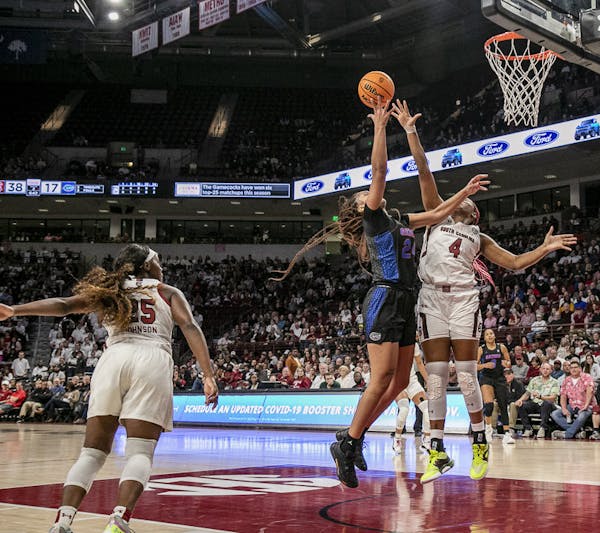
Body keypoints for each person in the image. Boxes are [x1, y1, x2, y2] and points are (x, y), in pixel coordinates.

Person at [272, 102, 489, 489]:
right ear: (362, 208)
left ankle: (352, 439)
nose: (368, 194)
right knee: (382, 377)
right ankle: (349, 443)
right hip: (385, 297)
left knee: (400, 381)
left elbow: (437, 213)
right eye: (362, 196)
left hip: (409, 299)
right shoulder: (373, 218)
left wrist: (465, 191)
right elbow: (380, 171)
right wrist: (379, 127)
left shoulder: (400, 221)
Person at [390, 100, 575, 483]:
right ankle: (437, 451)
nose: (467, 201)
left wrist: (544, 248)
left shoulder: (480, 235)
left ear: (474, 214)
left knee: (469, 375)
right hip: (430, 299)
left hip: (462, 298)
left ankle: (480, 441)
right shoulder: (436, 215)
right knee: (437, 378)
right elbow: (423, 169)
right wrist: (410, 131)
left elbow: (515, 263)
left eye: (471, 202)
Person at [0, 244, 218, 533]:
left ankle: (63, 521)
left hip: (113, 359)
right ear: (147, 266)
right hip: (151, 360)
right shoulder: (167, 291)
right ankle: (119, 519)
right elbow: (190, 327)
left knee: (91, 452)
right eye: (158, 261)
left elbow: (64, 306)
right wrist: (208, 374)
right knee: (140, 452)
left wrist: (15, 310)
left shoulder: (111, 292)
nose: (162, 266)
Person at [392, 341, 431, 454]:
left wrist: (428, 381)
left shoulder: (413, 344)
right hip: (397, 382)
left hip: (412, 381)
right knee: (404, 409)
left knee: (428, 409)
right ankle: (397, 439)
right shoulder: (391, 342)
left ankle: (427, 440)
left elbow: (419, 363)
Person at [551, 360, 596, 439]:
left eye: (575, 367)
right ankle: (576, 432)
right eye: (571, 368)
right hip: (572, 405)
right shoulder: (566, 380)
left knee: (581, 416)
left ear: (580, 369)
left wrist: (586, 405)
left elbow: (590, 391)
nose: (573, 369)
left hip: (586, 405)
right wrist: (564, 408)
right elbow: (563, 396)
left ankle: (568, 434)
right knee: (555, 414)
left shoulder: (586, 377)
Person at [515, 362, 560, 438]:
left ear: (551, 371)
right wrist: (520, 400)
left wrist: (540, 397)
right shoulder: (534, 380)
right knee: (522, 405)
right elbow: (527, 393)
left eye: (547, 369)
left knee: (546, 403)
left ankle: (542, 428)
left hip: (549, 405)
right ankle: (528, 428)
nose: (545, 371)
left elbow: (553, 397)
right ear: (540, 369)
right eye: (543, 369)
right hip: (535, 403)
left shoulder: (555, 382)